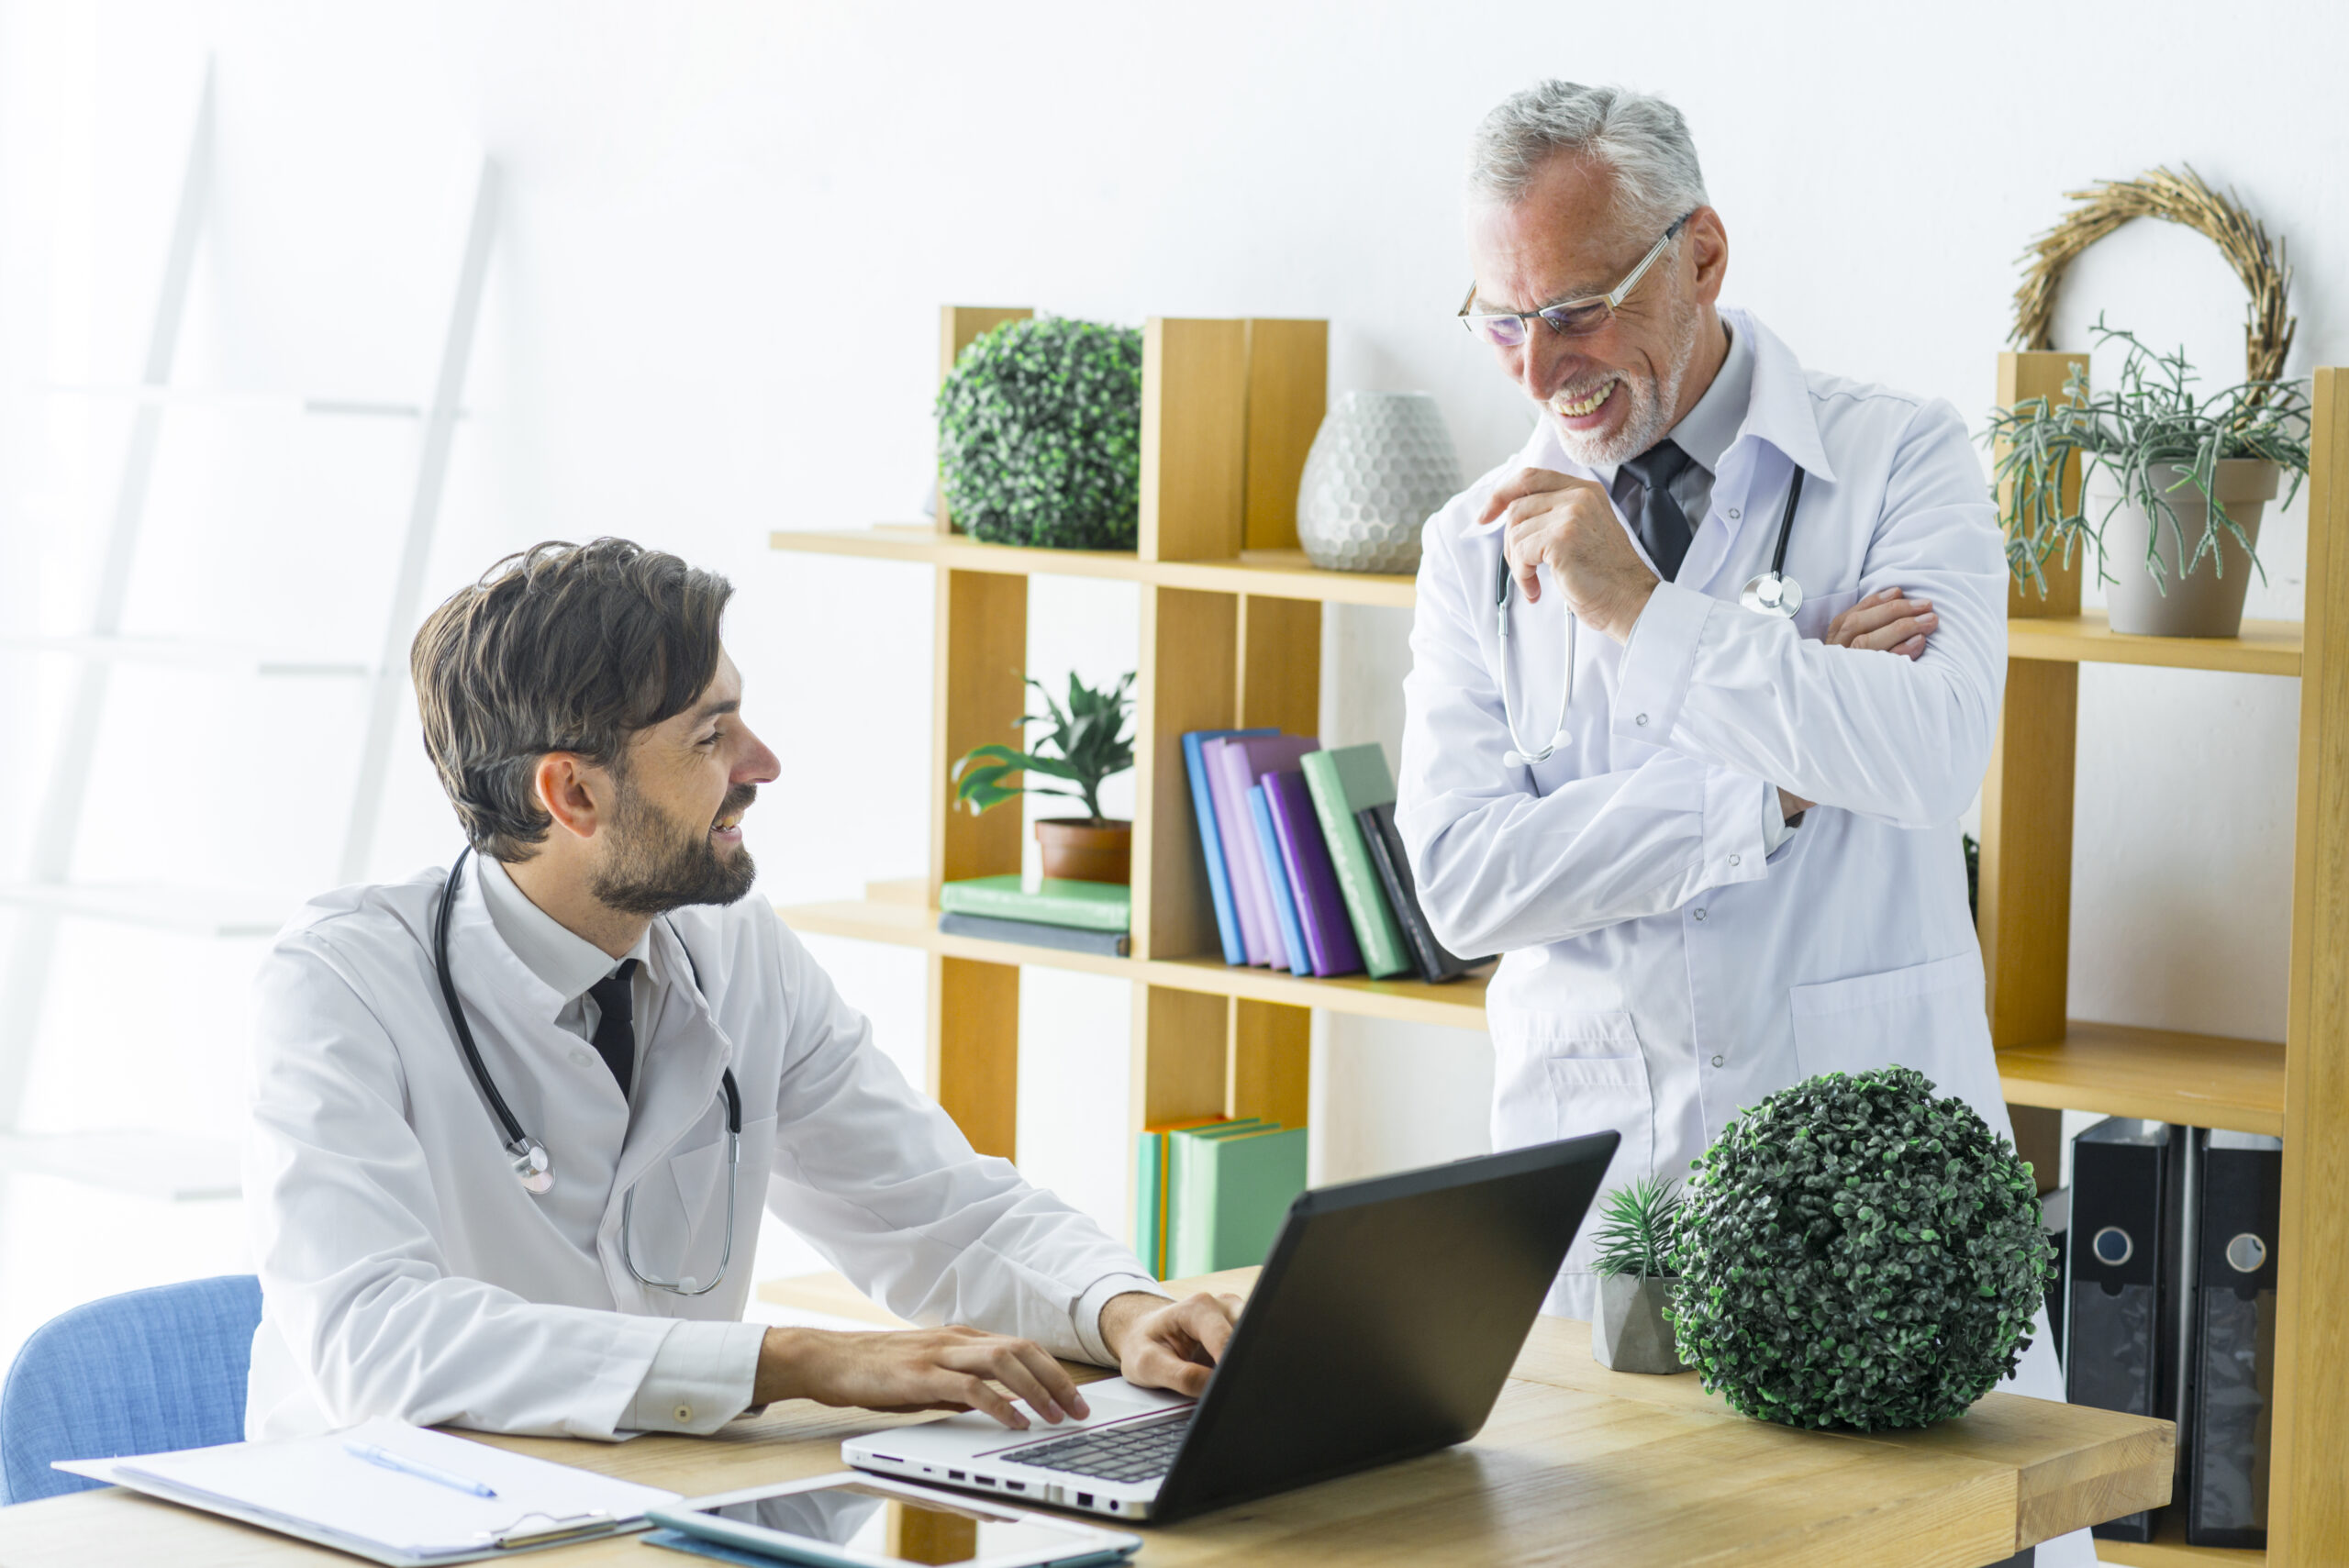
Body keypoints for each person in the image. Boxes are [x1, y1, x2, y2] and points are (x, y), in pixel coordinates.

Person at [1395, 86, 2091, 1564]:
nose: (1541, 366)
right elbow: (1460, 884)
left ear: (1701, 254)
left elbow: (1929, 755)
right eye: (1499, 319)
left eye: (1576, 309)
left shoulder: (1898, 458)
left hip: (1875, 1218)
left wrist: (1637, 609)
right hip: (1601, 1220)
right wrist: (1765, 780)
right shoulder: (1472, 542)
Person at [245, 539, 1237, 1440]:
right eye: (710, 734)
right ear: (573, 793)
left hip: (652, 1505)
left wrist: (1122, 1306)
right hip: (396, 1522)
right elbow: (372, 1336)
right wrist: (789, 1360)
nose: (761, 763)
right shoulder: (342, 980)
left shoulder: (734, 949)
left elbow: (935, 1206)